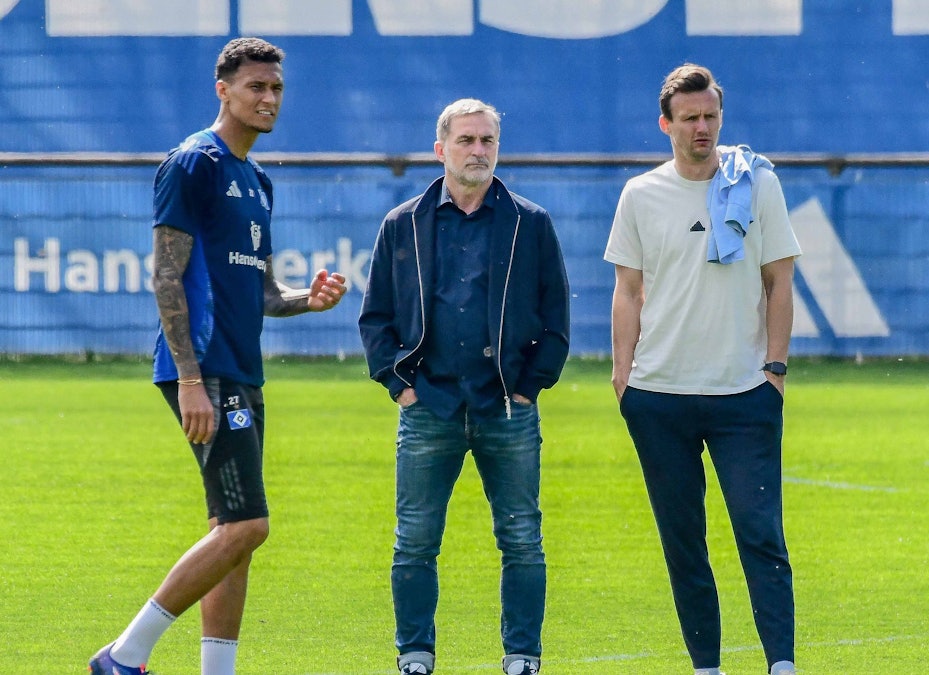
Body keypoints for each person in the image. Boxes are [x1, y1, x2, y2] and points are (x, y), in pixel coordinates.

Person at [88, 37, 348, 675]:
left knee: (234, 534)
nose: (268, 99)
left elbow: (260, 291)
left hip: (241, 367)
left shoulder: (257, 181)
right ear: (223, 90)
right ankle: (124, 655)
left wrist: (305, 302)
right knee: (249, 525)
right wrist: (190, 380)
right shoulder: (192, 163)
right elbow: (166, 277)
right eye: (256, 87)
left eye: (276, 89)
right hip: (203, 370)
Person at [358, 98, 570, 675]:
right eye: (467, 141)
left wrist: (529, 387)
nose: (478, 151)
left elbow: (556, 317)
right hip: (429, 408)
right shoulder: (402, 223)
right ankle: (415, 655)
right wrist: (402, 388)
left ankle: (522, 656)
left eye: (488, 142)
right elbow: (375, 317)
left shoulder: (532, 223)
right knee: (414, 543)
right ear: (441, 149)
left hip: (507, 408)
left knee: (522, 539)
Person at [604, 64, 800, 675]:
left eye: (710, 116)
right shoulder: (640, 194)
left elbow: (779, 280)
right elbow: (628, 291)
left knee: (759, 532)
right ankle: (706, 667)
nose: (702, 128)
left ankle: (781, 664)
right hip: (658, 397)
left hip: (744, 395)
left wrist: (774, 370)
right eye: (689, 118)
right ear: (666, 124)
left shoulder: (756, 184)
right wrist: (623, 376)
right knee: (684, 544)